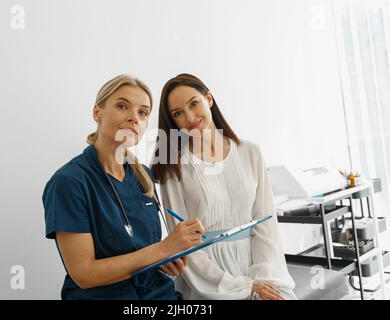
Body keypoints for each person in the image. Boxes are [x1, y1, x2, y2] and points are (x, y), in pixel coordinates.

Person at [42, 74, 205, 300]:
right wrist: (162, 250)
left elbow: (142, 250)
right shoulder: (69, 183)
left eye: (143, 112)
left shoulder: (144, 177)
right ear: (97, 112)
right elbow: (84, 274)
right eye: (122, 106)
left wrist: (163, 260)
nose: (134, 118)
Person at [151, 73, 296, 300]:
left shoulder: (250, 152)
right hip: (208, 281)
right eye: (178, 113)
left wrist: (262, 280)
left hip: (260, 266)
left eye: (194, 103)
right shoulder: (173, 166)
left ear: (209, 99)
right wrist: (240, 289)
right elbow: (185, 245)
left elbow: (266, 223)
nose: (189, 117)